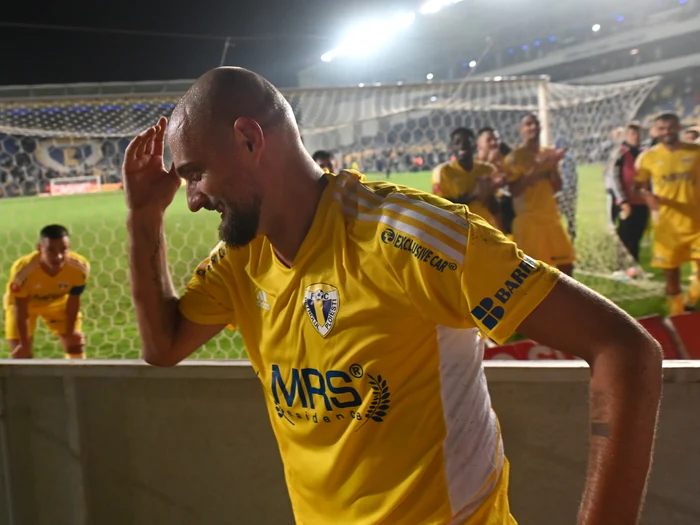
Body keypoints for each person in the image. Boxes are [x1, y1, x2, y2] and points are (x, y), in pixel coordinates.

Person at [124, 67, 661, 525]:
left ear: (249, 139)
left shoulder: (412, 238)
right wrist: (144, 215)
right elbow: (163, 345)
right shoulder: (242, 260)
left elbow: (625, 349)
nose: (192, 200)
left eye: (195, 174)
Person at [636, 112, 700, 314]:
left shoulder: (696, 152)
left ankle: (690, 300)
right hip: (667, 226)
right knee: (672, 276)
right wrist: (647, 196)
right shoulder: (648, 157)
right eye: (662, 129)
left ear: (679, 127)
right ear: (656, 131)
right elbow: (637, 186)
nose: (667, 132)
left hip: (697, 222)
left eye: (671, 127)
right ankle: (678, 315)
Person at [504, 114, 576, 276]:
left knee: (566, 267)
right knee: (532, 273)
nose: (533, 127)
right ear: (520, 129)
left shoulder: (547, 153)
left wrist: (554, 165)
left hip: (551, 219)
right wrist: (537, 165)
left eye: (536, 124)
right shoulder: (514, 158)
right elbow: (515, 191)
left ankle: (562, 301)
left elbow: (557, 187)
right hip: (529, 223)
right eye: (528, 124)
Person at [3, 224, 89, 359]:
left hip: (57, 303)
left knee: (75, 344)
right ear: (39, 249)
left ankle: (76, 379)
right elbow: (21, 308)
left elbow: (74, 299)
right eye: (51, 251)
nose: (59, 256)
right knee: (22, 353)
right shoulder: (23, 271)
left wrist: (71, 332)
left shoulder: (79, 268)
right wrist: (24, 344)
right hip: (26, 305)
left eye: (64, 250)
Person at [432, 128, 503, 229]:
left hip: (485, 230)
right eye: (457, 142)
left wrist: (488, 194)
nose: (463, 145)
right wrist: (473, 194)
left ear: (474, 146)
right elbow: (442, 209)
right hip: (457, 231)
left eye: (467, 142)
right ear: (451, 147)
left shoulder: (488, 170)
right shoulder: (443, 172)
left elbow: (497, 209)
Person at [609, 123, 649, 272]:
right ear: (626, 135)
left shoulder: (644, 152)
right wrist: (622, 200)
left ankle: (634, 267)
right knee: (625, 234)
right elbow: (614, 177)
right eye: (632, 133)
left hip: (643, 200)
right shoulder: (620, 152)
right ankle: (620, 268)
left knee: (638, 232)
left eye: (637, 133)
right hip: (627, 201)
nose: (636, 136)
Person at [476, 127, 515, 238]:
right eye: (489, 140)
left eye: (497, 139)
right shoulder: (472, 166)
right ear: (478, 145)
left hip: (508, 221)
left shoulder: (507, 163)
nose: (494, 143)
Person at [554, 137, 578, 244]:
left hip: (564, 193)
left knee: (560, 218)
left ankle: (566, 240)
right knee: (570, 218)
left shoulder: (566, 159)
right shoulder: (569, 158)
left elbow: (569, 178)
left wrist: (561, 192)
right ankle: (570, 238)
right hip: (569, 193)